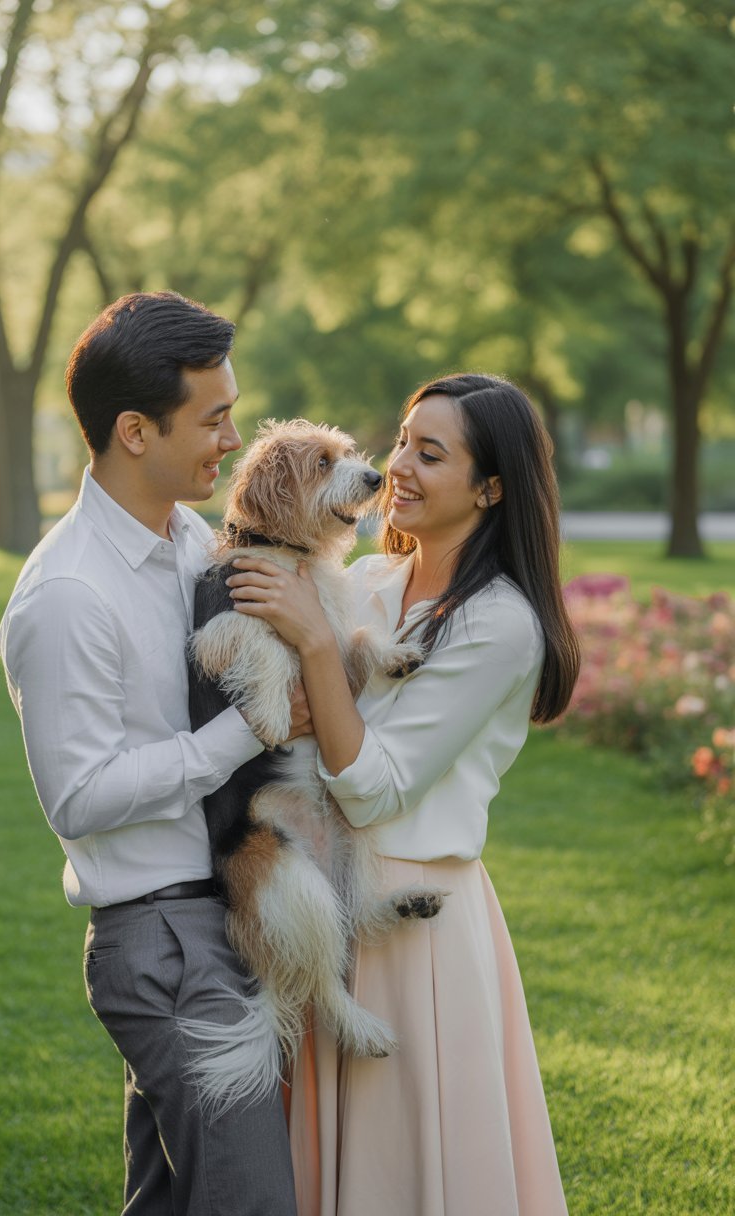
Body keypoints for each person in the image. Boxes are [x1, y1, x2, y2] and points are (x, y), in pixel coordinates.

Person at [224, 373, 580, 1216]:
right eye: (400, 443)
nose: (398, 469)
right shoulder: (374, 581)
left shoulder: (499, 624)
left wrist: (314, 642)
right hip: (314, 895)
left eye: (432, 453)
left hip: (416, 928)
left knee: (406, 1171)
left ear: (491, 488)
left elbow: (374, 790)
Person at [0, 291, 307, 1216]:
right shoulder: (66, 595)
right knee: (249, 1199)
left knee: (173, 1200)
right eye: (214, 420)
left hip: (220, 915)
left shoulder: (190, 543)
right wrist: (250, 725)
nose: (233, 438)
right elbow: (79, 798)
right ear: (135, 430)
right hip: (165, 940)